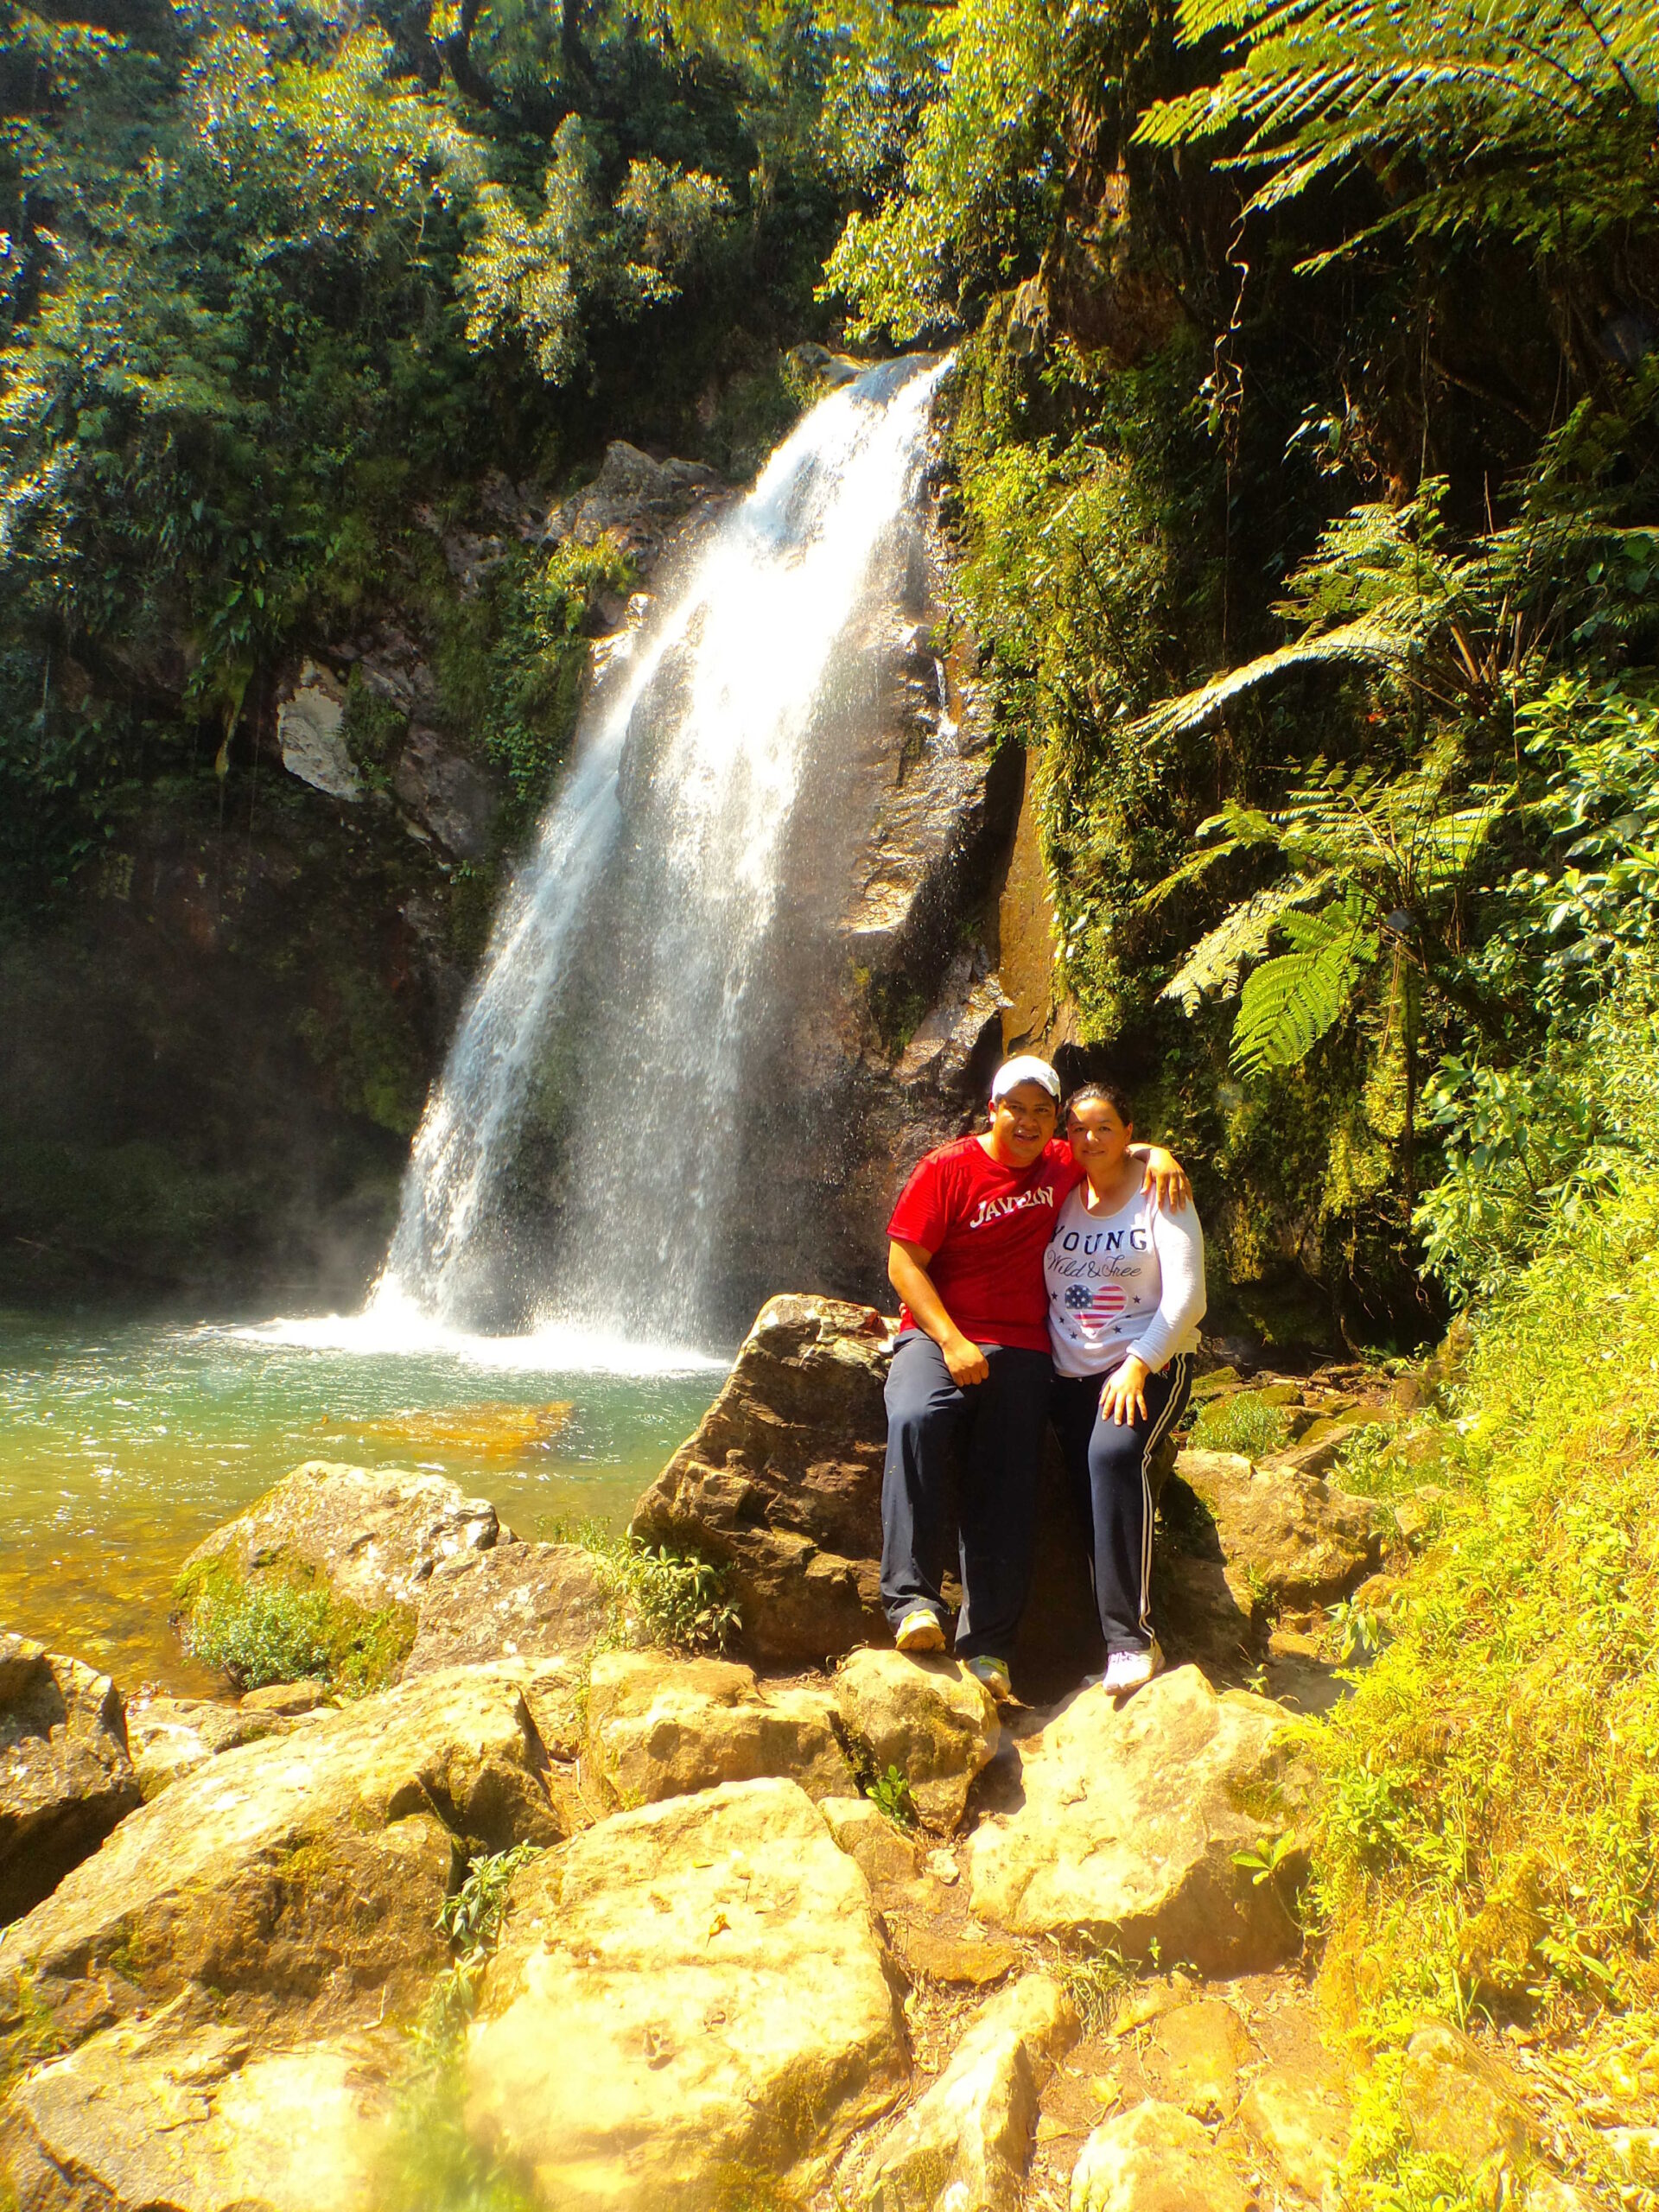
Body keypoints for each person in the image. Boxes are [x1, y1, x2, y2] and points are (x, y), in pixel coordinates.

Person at [880, 1054, 1191, 1703]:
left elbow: (1105, 1140)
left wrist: (1155, 1151)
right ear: (991, 1109)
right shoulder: (945, 1169)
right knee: (916, 1418)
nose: (1026, 1122)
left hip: (1024, 1348)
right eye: (1013, 1108)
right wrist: (950, 1339)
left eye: (1040, 1111)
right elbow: (904, 1263)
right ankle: (912, 1602)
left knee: (1008, 1482)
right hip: (939, 1336)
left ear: (1053, 1121)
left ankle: (990, 1649)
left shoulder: (1062, 1161)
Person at [1046, 1078, 1206, 1695]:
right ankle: (1107, 1643)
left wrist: (1140, 1362)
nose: (1090, 1138)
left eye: (1104, 1127)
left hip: (1146, 1364)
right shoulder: (1062, 1191)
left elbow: (1190, 1297)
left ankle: (1132, 1640)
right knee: (1089, 1492)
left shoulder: (1160, 1190)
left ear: (1130, 1132)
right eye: (1079, 1128)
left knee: (1113, 1458)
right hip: (1067, 1372)